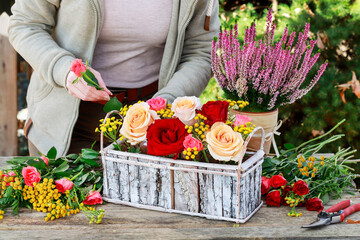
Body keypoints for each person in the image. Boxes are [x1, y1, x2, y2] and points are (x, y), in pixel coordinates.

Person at [8, 0, 220, 157]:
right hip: (68, 123)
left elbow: (201, 51)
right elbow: (26, 24)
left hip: (154, 123)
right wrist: (63, 69)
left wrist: (166, 102)